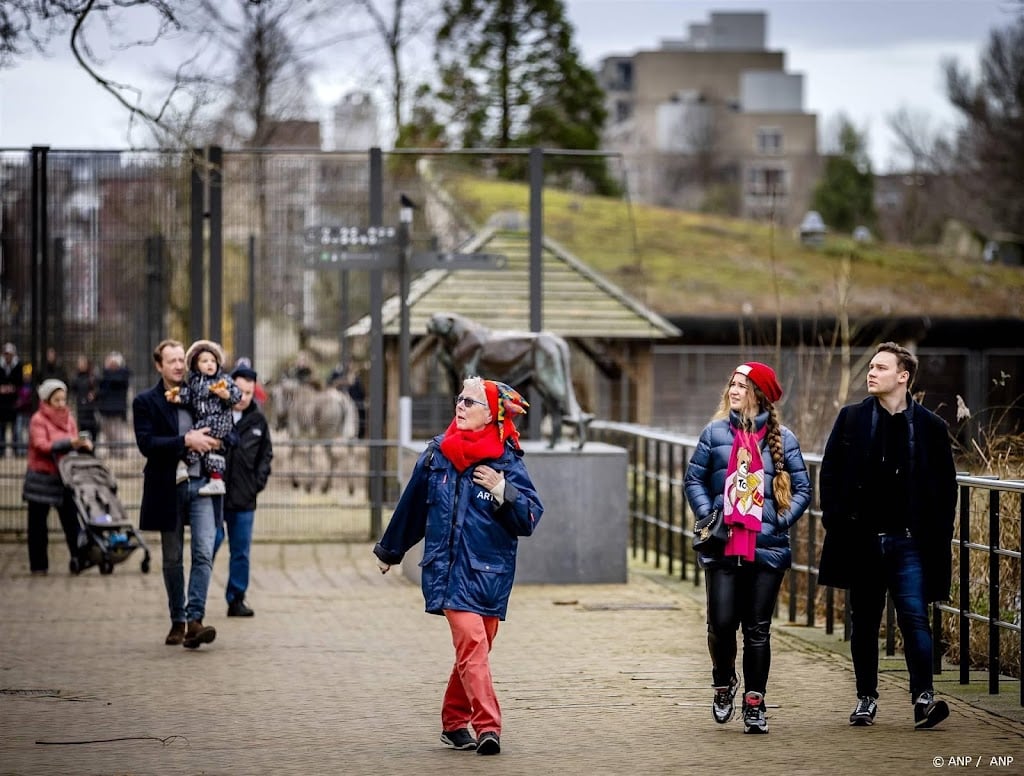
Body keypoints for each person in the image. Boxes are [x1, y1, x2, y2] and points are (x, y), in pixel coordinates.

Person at [373, 377, 544, 756]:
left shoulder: (507, 460)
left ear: (490, 415)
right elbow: (412, 507)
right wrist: (390, 551)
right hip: (447, 569)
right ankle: (488, 727)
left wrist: (504, 491)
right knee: (472, 643)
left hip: (490, 573)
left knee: (476, 649)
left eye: (471, 401)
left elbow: (530, 517)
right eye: (460, 399)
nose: (461, 406)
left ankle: (453, 722)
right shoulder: (436, 455)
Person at [818, 341, 958, 730]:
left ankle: (924, 699)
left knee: (915, 618)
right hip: (861, 540)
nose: (872, 372)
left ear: (903, 376)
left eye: (881, 367)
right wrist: (836, 521)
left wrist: (937, 537)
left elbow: (947, 488)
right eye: (871, 367)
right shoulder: (851, 419)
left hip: (910, 541)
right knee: (863, 622)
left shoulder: (930, 426)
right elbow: (829, 473)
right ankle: (866, 699)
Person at [684, 362, 811, 735]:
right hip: (722, 546)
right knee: (721, 625)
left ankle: (755, 702)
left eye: (742, 385)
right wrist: (711, 515)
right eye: (732, 384)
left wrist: (778, 521)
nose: (733, 391)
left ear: (759, 394)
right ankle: (723, 683)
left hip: (766, 548)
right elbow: (694, 479)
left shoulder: (783, 439)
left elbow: (803, 490)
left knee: (757, 629)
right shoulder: (713, 433)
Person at [133, 338, 227, 649]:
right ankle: (177, 619)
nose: (177, 365)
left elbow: (228, 429)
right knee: (173, 558)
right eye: (170, 361)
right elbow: (147, 444)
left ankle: (195, 620)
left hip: (202, 486)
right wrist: (185, 440)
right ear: (159, 365)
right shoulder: (145, 402)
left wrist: (217, 440)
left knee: (203, 552)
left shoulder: (198, 395)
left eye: (180, 360)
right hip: (167, 488)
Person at [214, 364, 273, 617]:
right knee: (209, 545)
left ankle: (236, 598)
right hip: (214, 495)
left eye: (249, 393)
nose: (243, 397)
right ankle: (194, 601)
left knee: (241, 552)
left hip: (244, 498)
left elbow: (266, 456)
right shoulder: (216, 414)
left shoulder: (258, 421)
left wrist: (256, 485)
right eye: (239, 391)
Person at [22, 379, 94, 574]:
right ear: (47, 400)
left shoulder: (69, 418)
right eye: (57, 400)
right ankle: (39, 566)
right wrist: (70, 443)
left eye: (63, 399)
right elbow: (41, 445)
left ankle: (79, 559)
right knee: (37, 527)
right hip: (41, 480)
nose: (62, 404)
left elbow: (74, 440)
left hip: (63, 478)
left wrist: (83, 445)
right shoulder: (38, 419)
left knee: (72, 522)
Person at [166, 340, 241, 496]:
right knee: (207, 449)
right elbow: (188, 396)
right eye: (205, 361)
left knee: (196, 436)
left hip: (220, 420)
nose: (210, 364)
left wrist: (225, 395)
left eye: (213, 361)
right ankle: (216, 480)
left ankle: (184, 465)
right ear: (195, 364)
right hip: (206, 422)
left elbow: (236, 395)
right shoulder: (193, 383)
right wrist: (178, 397)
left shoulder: (223, 380)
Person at [96, 351, 131, 457]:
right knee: (108, 432)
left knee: (118, 432)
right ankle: (112, 451)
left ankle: (120, 452)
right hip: (105, 409)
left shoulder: (122, 375)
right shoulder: (104, 375)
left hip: (117, 409)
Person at [0, 342, 27, 457]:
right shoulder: (1, 366)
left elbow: (22, 383)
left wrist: (13, 388)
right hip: (1, 403)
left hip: (15, 403)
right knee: (1, 428)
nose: (8, 357)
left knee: (16, 429)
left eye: (9, 354)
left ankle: (17, 451)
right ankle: (1, 451)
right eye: (6, 354)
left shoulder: (19, 366)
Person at [70, 354, 100, 440]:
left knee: (93, 429)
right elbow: (73, 390)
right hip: (80, 408)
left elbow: (98, 389)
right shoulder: (76, 377)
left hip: (91, 409)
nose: (81, 365)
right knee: (81, 431)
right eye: (79, 363)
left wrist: (94, 393)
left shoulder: (92, 377)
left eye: (83, 363)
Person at [13, 363, 35, 456]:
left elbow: (31, 399)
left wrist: (23, 402)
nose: (26, 376)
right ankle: (20, 451)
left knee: (29, 433)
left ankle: (27, 450)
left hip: (29, 412)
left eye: (28, 375)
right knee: (19, 431)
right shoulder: (20, 385)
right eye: (25, 375)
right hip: (21, 412)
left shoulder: (32, 386)